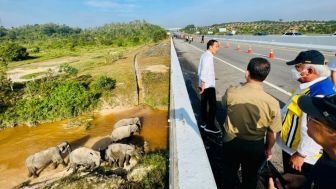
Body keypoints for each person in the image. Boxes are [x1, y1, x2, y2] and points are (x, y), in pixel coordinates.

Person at [221, 57, 282, 189]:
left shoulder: (232, 91)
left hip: (231, 141)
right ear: (264, 77)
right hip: (255, 145)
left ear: (247, 73)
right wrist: (268, 149)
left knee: (229, 173)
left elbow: (223, 104)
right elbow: (272, 132)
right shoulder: (272, 102)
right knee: (250, 177)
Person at [276, 50, 335, 176]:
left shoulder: (319, 93)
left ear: (310, 71)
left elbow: (315, 129)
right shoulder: (308, 84)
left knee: (295, 182)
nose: (295, 70)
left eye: (298, 67)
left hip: (302, 156)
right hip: (291, 147)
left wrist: (301, 154)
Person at [269, 94, 336, 189]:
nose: (307, 120)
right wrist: (306, 180)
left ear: (331, 132)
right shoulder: (328, 155)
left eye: (312, 117)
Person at [198, 39, 221, 134]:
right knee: (213, 106)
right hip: (208, 85)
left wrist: (200, 83)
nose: (217, 48)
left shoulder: (204, 54)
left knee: (203, 104)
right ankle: (210, 126)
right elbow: (204, 70)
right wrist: (203, 84)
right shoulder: (209, 57)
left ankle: (204, 123)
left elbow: (200, 69)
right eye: (216, 46)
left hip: (203, 83)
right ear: (210, 46)